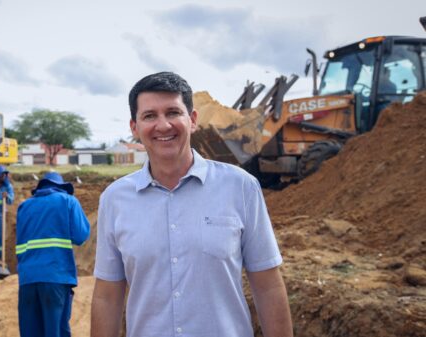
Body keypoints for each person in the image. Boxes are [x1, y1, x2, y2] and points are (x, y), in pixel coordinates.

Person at [91, 72, 293, 337]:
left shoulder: (241, 187)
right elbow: (107, 296)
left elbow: (268, 286)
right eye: (150, 116)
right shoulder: (115, 199)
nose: (163, 125)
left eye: (173, 112)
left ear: (193, 120)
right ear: (134, 127)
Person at [15, 172, 90, 337]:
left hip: (27, 279)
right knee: (55, 331)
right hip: (55, 276)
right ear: (61, 187)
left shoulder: (24, 206)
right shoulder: (67, 201)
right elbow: (80, 235)